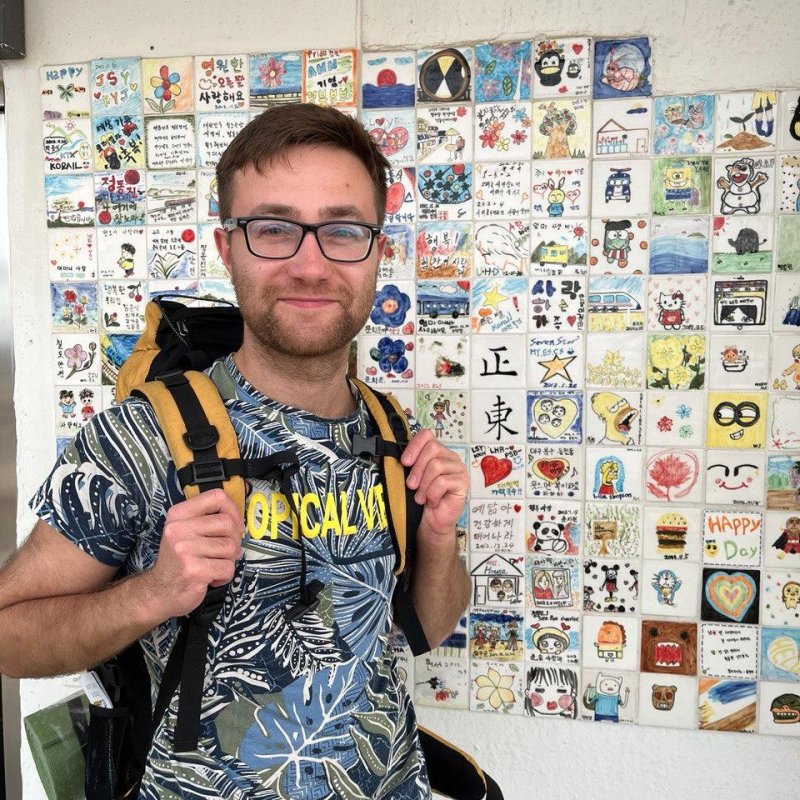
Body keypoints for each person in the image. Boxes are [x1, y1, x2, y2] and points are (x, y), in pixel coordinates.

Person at [0, 103, 471, 799]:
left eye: (342, 230)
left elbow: (425, 628)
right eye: (274, 229)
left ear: (378, 249)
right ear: (227, 248)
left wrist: (437, 538)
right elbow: (8, 635)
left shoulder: (390, 430)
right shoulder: (138, 439)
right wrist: (152, 594)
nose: (310, 265)